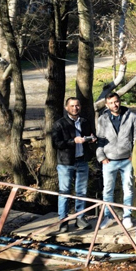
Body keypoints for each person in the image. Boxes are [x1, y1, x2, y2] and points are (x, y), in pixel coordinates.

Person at [96, 92, 136, 229]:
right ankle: (108, 216)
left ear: (119, 101)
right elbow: (99, 140)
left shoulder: (131, 117)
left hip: (127, 160)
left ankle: (127, 216)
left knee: (128, 189)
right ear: (106, 105)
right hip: (109, 160)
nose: (114, 105)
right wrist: (101, 157)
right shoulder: (102, 119)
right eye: (111, 103)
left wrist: (134, 155)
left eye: (116, 101)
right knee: (107, 190)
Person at [52, 97, 96, 233]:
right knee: (64, 192)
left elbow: (89, 136)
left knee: (81, 192)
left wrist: (91, 139)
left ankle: (80, 218)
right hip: (66, 163)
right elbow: (56, 144)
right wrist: (73, 141)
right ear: (66, 108)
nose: (75, 108)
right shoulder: (59, 124)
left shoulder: (85, 122)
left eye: (77, 105)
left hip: (82, 161)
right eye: (72, 106)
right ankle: (63, 220)